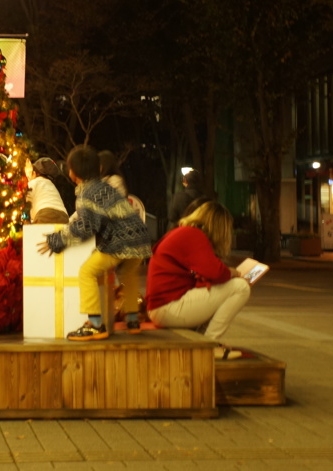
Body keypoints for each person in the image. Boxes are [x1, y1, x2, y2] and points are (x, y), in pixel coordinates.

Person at [38, 145, 153, 341]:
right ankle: (133, 319)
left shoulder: (87, 194)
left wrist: (57, 239)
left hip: (121, 242)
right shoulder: (106, 188)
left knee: (87, 272)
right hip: (140, 239)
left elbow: (85, 227)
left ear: (73, 172)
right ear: (98, 168)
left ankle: (95, 324)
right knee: (128, 274)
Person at [146, 201, 251, 360]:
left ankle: (202, 341)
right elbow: (215, 272)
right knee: (241, 287)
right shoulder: (194, 235)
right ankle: (209, 345)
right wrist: (234, 273)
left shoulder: (184, 232)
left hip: (162, 307)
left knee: (226, 290)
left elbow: (205, 275)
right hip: (168, 308)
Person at [25, 157, 70, 224]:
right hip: (64, 217)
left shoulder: (33, 183)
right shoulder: (52, 186)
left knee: (38, 233)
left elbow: (27, 204)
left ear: (34, 173)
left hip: (45, 215)